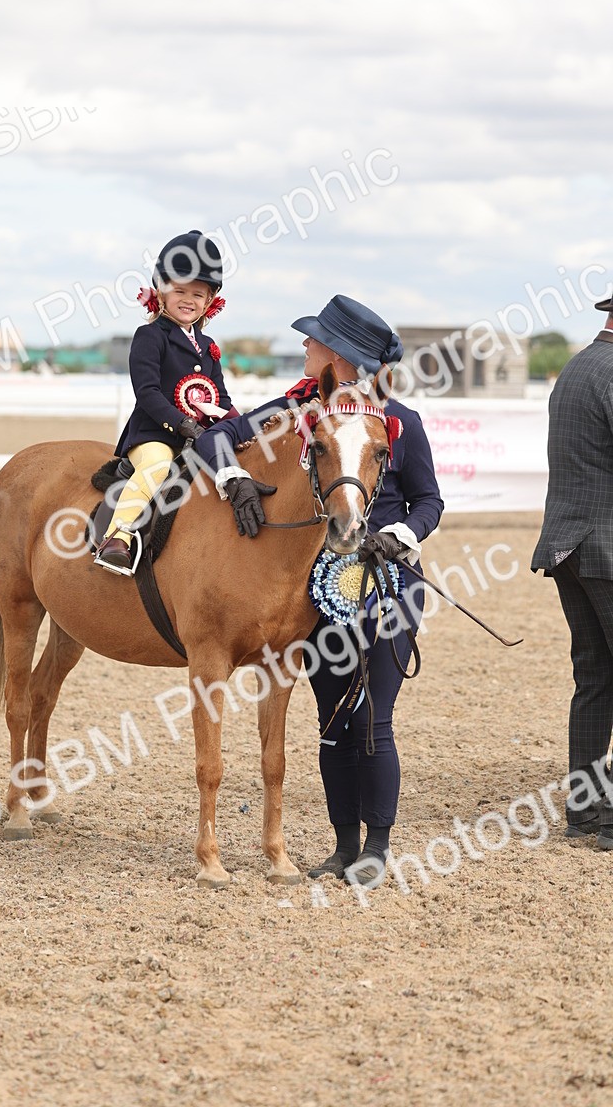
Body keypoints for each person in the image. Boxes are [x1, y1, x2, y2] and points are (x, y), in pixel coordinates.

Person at [195, 295, 444, 885]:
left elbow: (430, 499)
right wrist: (236, 481)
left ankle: (376, 847)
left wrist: (398, 532)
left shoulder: (400, 422)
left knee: (374, 720)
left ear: (342, 358)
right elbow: (214, 439)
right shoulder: (293, 412)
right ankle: (340, 845)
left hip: (385, 581)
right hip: (319, 592)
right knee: (333, 720)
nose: (305, 346)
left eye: (315, 340)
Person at [94, 230, 237, 574]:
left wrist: (237, 425)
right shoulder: (150, 336)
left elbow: (220, 396)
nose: (188, 299)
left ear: (209, 300)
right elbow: (147, 393)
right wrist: (183, 423)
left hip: (197, 438)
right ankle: (117, 537)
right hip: (154, 434)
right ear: (161, 290)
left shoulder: (209, 345)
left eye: (197, 294)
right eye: (180, 290)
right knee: (157, 464)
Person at [531, 297, 613, 848]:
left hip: (571, 544)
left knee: (594, 677)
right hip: (605, 547)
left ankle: (585, 809)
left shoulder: (579, 366)